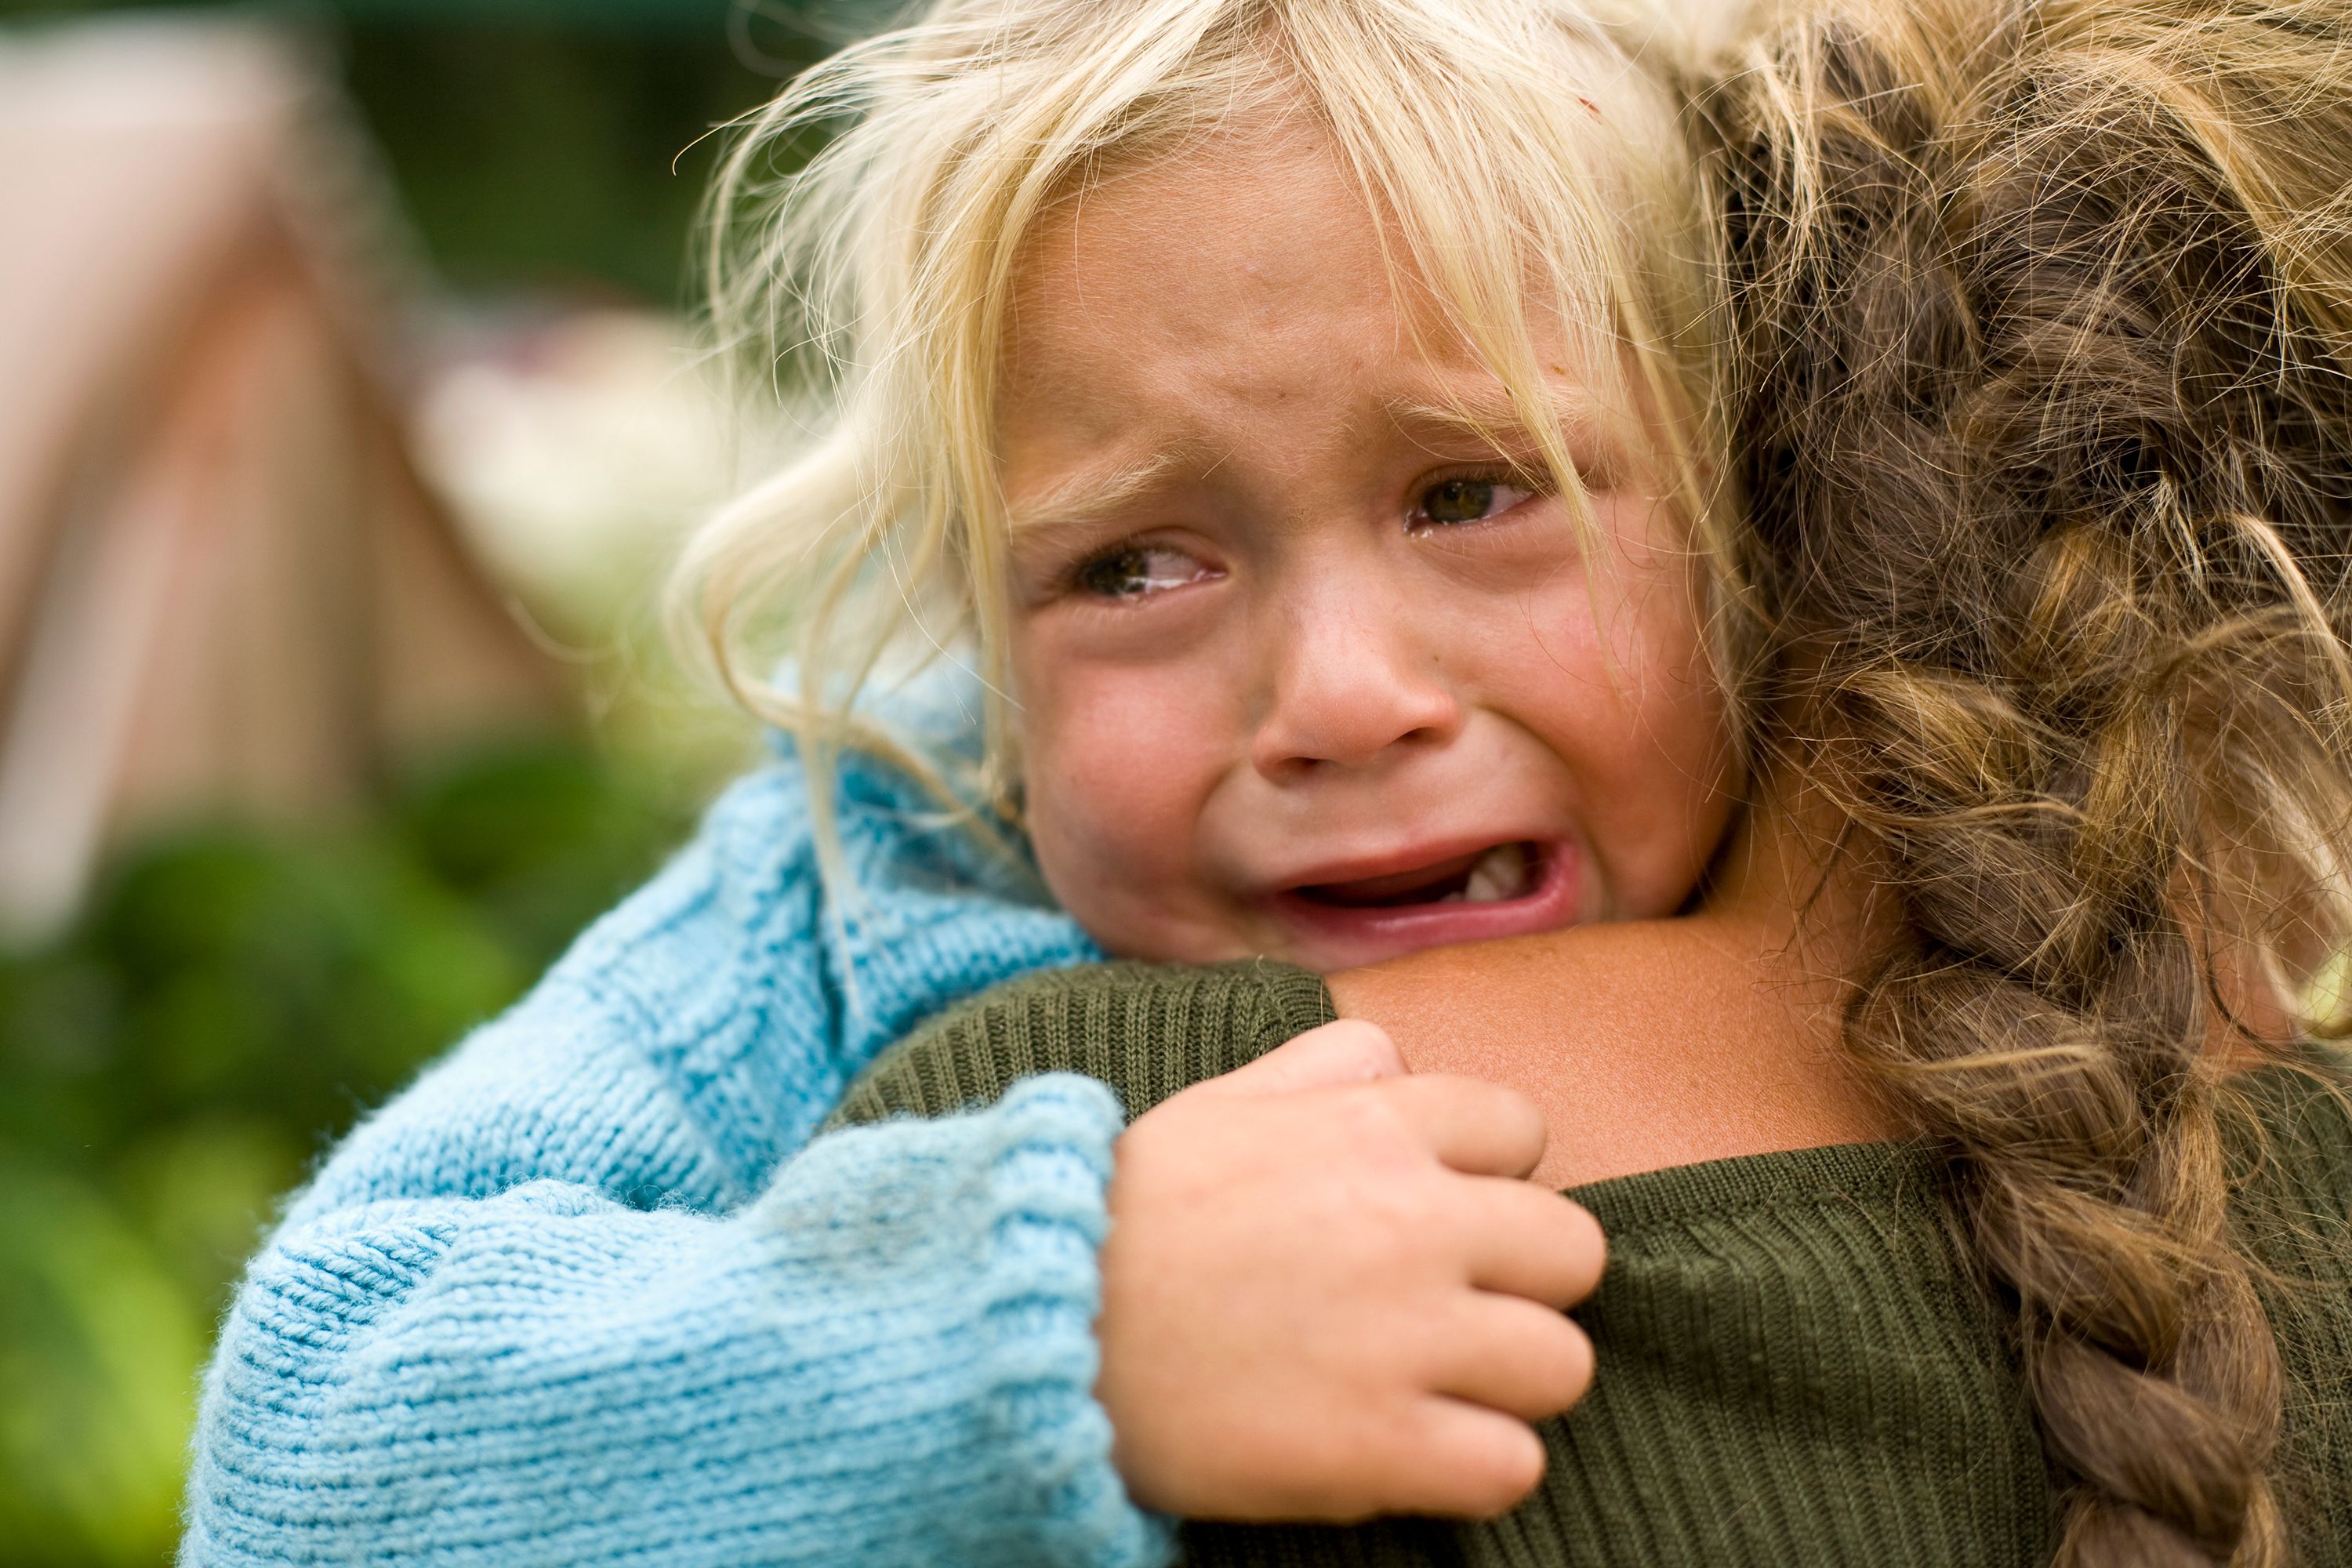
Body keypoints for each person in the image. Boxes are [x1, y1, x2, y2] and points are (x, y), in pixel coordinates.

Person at [180, 2, 2352, 1567]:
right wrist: (1044, 1330)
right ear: (982, 642)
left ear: (1752, 517)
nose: (1335, 696)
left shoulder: (2008, 882)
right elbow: (301, 1454)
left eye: (1475, 493)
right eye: (1132, 564)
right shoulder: (860, 887)